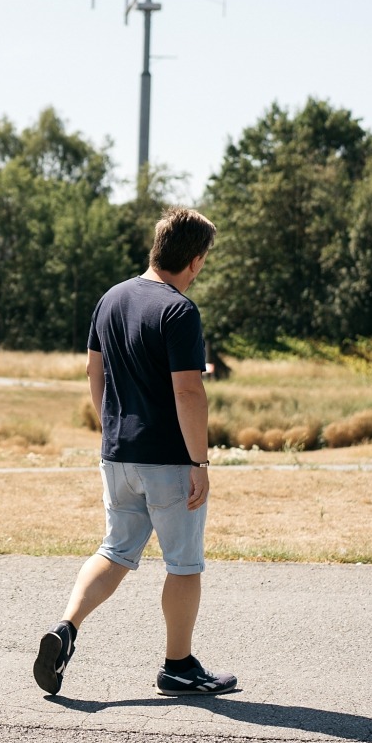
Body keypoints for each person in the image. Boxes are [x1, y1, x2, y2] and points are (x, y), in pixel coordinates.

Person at [34, 208, 238, 698]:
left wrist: (110, 428)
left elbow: (93, 371)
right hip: (168, 459)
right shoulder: (179, 310)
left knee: (116, 551)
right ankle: (179, 667)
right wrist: (200, 463)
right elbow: (188, 393)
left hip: (117, 454)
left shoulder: (111, 299)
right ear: (193, 261)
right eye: (203, 261)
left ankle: (66, 627)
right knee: (184, 564)